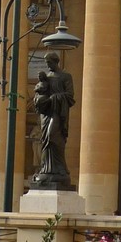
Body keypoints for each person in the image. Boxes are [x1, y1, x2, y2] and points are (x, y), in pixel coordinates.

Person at [30, 52, 76, 189]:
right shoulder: (46, 78)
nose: (48, 65)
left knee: (53, 136)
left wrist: (54, 98)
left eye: (49, 62)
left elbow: (70, 96)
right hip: (46, 113)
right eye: (46, 63)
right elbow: (38, 92)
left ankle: (60, 168)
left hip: (58, 112)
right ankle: (46, 168)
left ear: (55, 62)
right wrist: (39, 99)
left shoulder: (65, 76)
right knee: (45, 140)